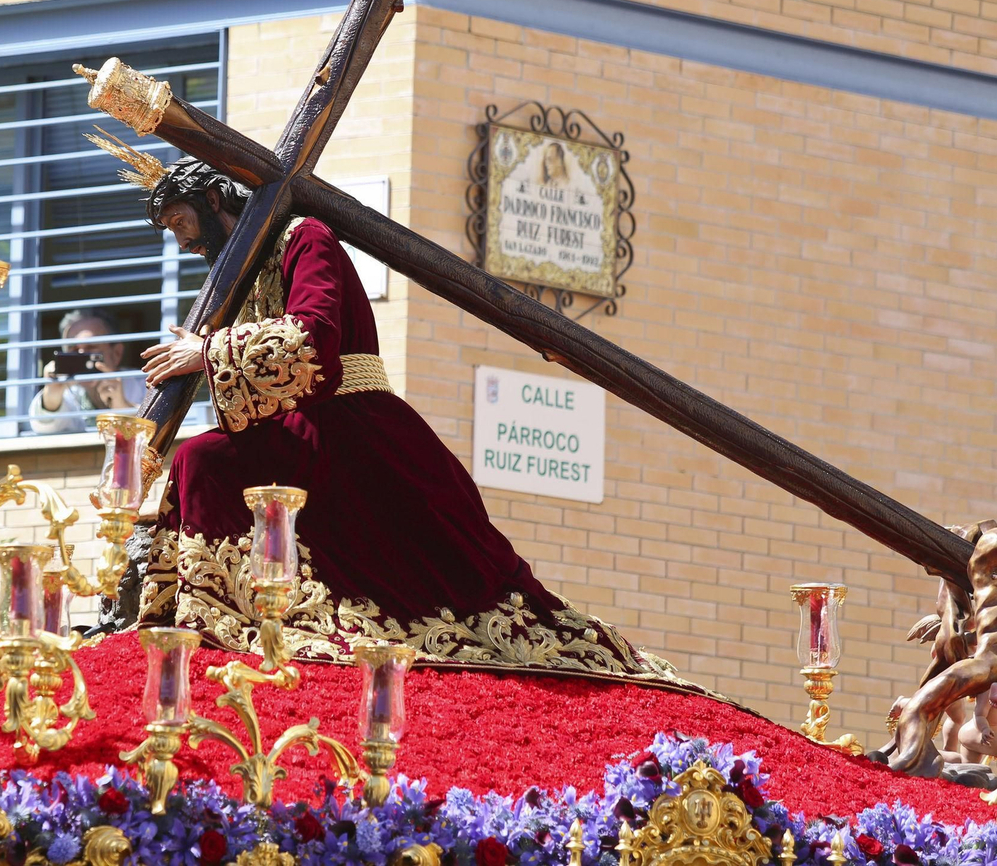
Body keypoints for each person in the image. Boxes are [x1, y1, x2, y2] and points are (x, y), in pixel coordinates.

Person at [124, 154, 696, 687]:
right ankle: (229, 613)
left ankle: (243, 615)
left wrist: (209, 353)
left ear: (214, 201)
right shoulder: (244, 273)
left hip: (351, 423)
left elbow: (315, 338)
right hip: (298, 430)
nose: (183, 242)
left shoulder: (306, 237)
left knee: (206, 459)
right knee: (204, 458)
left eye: (181, 223)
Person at [29, 309, 145, 435]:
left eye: (91, 347)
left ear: (117, 353)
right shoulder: (67, 391)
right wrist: (51, 396)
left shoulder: (147, 385)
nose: (81, 356)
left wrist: (121, 405)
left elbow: (151, 435)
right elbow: (44, 428)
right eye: (74, 349)